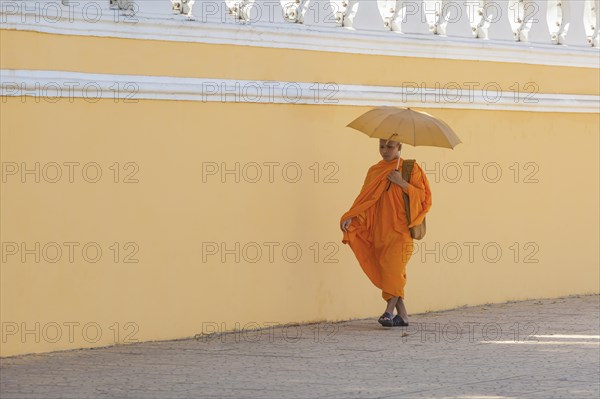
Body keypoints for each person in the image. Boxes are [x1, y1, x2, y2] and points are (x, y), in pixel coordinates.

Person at [340, 138, 432, 327]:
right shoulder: (375, 170)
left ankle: (388, 312)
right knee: (389, 273)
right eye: (382, 146)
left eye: (390, 146)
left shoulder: (410, 169)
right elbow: (365, 200)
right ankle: (403, 316)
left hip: (402, 231)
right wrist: (352, 217)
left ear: (400, 147)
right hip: (380, 230)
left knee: (394, 269)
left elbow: (423, 198)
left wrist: (401, 183)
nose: (385, 150)